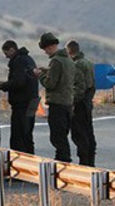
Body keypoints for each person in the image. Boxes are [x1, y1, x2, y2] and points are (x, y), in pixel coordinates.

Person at [33, 32, 75, 162]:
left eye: (45, 49)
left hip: (57, 103)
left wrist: (40, 75)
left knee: (57, 136)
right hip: (67, 102)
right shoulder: (67, 59)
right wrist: (47, 71)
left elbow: (50, 84)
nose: (45, 52)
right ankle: (63, 158)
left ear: (50, 47)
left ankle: (63, 160)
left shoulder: (55, 61)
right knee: (62, 134)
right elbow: (63, 76)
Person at [0, 40, 39, 154]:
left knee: (19, 137)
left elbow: (19, 82)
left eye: (6, 53)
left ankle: (21, 164)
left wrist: (3, 85)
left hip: (22, 104)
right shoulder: (29, 59)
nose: (6, 57)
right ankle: (30, 161)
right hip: (32, 102)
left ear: (11, 49)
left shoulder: (19, 61)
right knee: (27, 135)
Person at [66, 40, 97, 166]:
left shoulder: (77, 65)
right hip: (87, 100)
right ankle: (90, 161)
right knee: (88, 131)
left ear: (69, 51)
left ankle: (84, 162)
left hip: (80, 103)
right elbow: (92, 85)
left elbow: (79, 87)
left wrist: (72, 103)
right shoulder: (88, 62)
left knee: (79, 134)